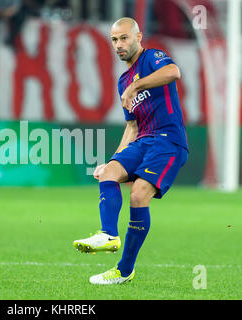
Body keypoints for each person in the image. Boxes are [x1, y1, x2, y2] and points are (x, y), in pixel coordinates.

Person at [73, 17, 189, 285]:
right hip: (143, 139)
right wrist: (111, 160)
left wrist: (137, 86)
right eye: (114, 40)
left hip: (168, 141)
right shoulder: (122, 81)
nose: (119, 44)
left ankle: (124, 269)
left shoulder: (152, 58)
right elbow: (132, 127)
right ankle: (108, 235)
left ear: (138, 37)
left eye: (124, 38)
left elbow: (174, 72)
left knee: (138, 195)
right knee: (109, 173)